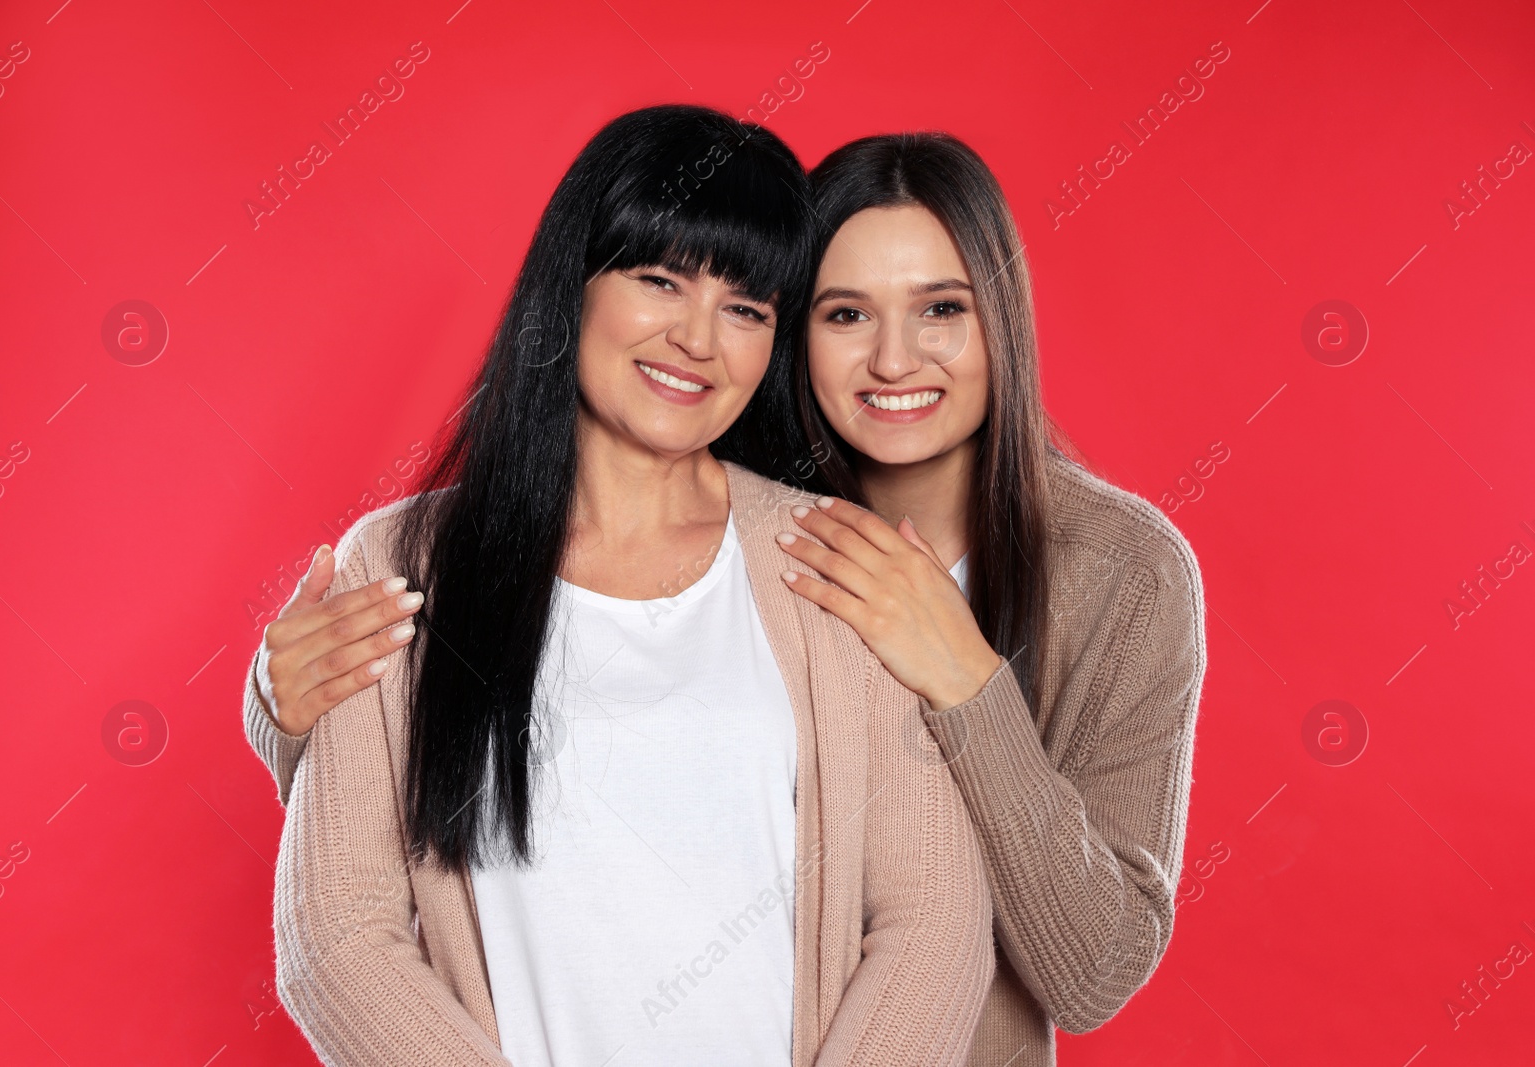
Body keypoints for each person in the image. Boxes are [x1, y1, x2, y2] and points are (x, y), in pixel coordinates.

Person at [242, 105, 993, 1066]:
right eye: (658, 279)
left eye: (746, 309)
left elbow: (935, 910)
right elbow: (336, 938)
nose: (697, 339)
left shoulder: (833, 561)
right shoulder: (398, 565)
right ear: (576, 281)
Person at [775, 132, 1207, 1066]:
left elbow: (1093, 972)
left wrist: (966, 679)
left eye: (940, 308)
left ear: (1001, 319)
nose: (894, 360)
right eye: (845, 313)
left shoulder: (1128, 576)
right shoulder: (742, 535)